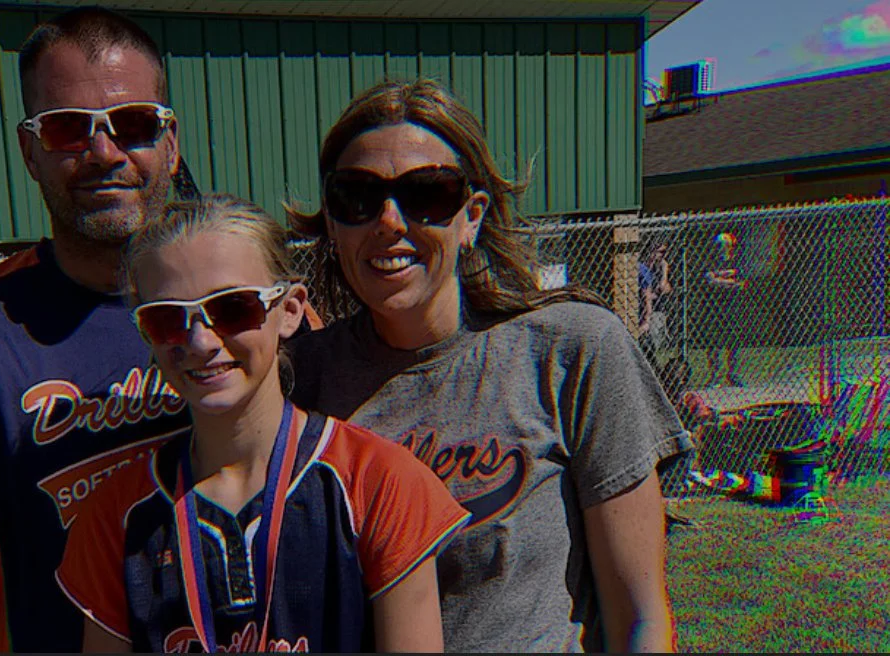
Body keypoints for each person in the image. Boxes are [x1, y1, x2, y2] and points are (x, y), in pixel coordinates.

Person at [286, 78, 694, 653]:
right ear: (331, 219)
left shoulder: (570, 351)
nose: (389, 221)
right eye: (357, 196)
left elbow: (641, 618)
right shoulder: (297, 381)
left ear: (471, 215)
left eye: (427, 194)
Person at [0, 8, 202, 651]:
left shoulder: (242, 312)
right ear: (29, 151)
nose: (104, 153)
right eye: (66, 130)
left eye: (133, 124)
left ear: (170, 141)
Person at [56, 194, 469, 653]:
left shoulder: (377, 480)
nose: (201, 341)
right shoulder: (115, 515)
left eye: (233, 308)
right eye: (168, 319)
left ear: (289, 310)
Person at [703, 231, 747, 387]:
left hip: (732, 307)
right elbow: (710, 280)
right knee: (714, 341)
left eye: (725, 245)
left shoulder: (738, 262)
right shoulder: (710, 261)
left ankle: (733, 374)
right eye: (719, 246)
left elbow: (741, 283)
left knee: (733, 340)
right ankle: (715, 375)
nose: (722, 249)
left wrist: (719, 278)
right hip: (715, 307)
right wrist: (728, 280)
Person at [638, 240, 673, 368]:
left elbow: (666, 288)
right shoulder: (641, 268)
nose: (663, 255)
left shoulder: (661, 268)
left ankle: (655, 369)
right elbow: (646, 295)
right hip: (642, 311)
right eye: (660, 252)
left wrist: (664, 272)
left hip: (656, 311)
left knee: (655, 343)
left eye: (665, 252)